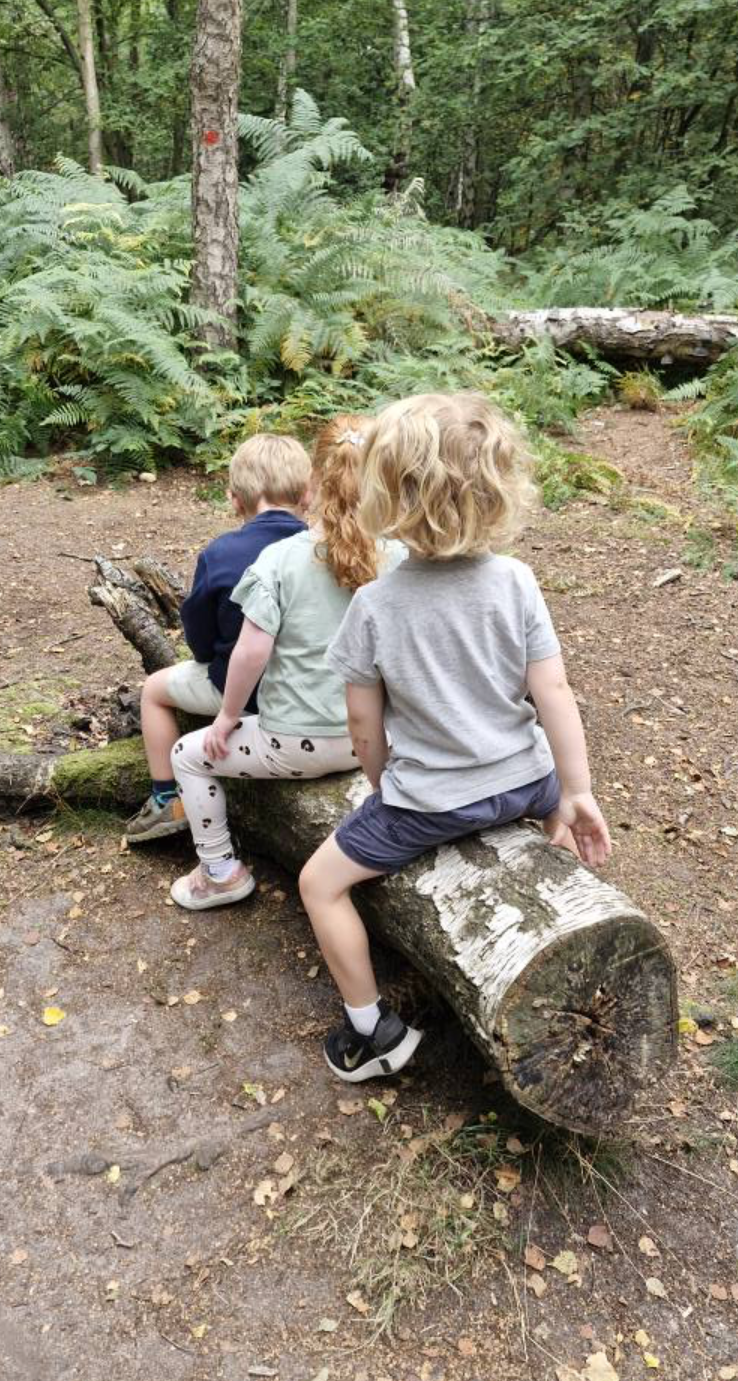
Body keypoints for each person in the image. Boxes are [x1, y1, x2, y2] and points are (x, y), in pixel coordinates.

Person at [297, 392, 612, 1083]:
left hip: (430, 801)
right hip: (526, 780)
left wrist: (384, 788)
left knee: (318, 884)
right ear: (497, 487)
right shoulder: (516, 581)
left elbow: (362, 724)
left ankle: (371, 1030)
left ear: (387, 494)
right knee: (550, 803)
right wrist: (574, 792)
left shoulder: (374, 603)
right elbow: (552, 692)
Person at [169, 416, 403, 911]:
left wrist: (228, 717)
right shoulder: (399, 556)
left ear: (312, 486)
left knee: (188, 755)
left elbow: (251, 652)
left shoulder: (279, 559)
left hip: (294, 744)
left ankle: (220, 872)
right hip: (378, 741)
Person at [125, 433, 311, 844]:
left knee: (154, 691)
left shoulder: (221, 553)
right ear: (306, 494)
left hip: (243, 696)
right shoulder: (325, 548)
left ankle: (165, 798)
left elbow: (201, 643)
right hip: (311, 693)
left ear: (235, 499)